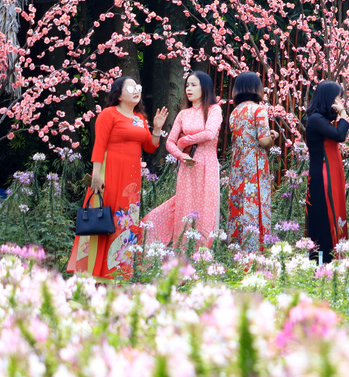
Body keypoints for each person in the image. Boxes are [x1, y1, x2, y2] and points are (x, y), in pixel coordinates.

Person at [68, 76, 169, 279]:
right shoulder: (108, 114)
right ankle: (91, 273)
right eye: (130, 87)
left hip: (131, 180)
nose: (136, 90)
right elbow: (99, 145)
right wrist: (96, 175)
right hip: (110, 173)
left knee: (125, 221)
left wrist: (156, 129)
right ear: (118, 93)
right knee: (103, 217)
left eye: (137, 87)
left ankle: (118, 272)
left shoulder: (140, 118)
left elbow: (150, 146)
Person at [144, 71, 222, 248]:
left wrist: (185, 140)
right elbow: (169, 143)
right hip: (187, 166)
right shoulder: (183, 114)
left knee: (206, 207)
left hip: (207, 165)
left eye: (194, 85)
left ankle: (203, 253)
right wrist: (181, 155)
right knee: (184, 207)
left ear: (205, 87)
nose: (189, 89)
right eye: (187, 85)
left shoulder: (214, 110)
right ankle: (181, 251)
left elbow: (210, 134)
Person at [228, 72, 279, 252]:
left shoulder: (234, 112)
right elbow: (263, 141)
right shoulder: (259, 110)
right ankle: (256, 250)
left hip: (237, 166)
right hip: (254, 166)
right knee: (256, 203)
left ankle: (236, 248)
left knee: (239, 203)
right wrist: (272, 136)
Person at [305, 81, 349, 261]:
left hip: (329, 173)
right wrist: (344, 114)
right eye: (339, 97)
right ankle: (324, 260)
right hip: (324, 177)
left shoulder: (321, 120)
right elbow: (340, 135)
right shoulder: (316, 119)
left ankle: (332, 258)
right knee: (325, 216)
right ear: (329, 98)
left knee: (330, 214)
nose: (342, 101)